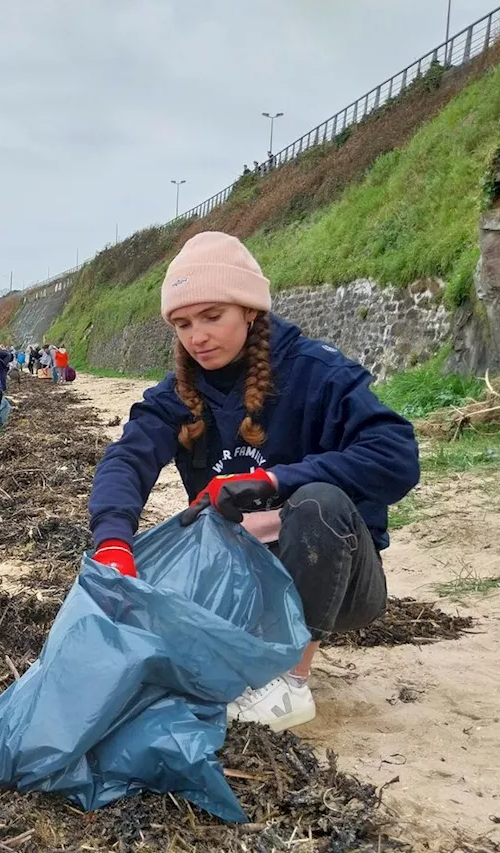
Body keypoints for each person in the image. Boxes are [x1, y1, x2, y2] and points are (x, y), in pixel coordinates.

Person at [87, 232, 418, 733]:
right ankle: (245, 653)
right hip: (238, 578)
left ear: (249, 311)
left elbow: (396, 456)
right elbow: (125, 461)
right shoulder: (178, 394)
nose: (197, 336)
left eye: (212, 316)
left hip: (338, 579)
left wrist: (273, 480)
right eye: (183, 324)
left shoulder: (318, 373)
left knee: (318, 501)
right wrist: (112, 542)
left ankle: (290, 682)